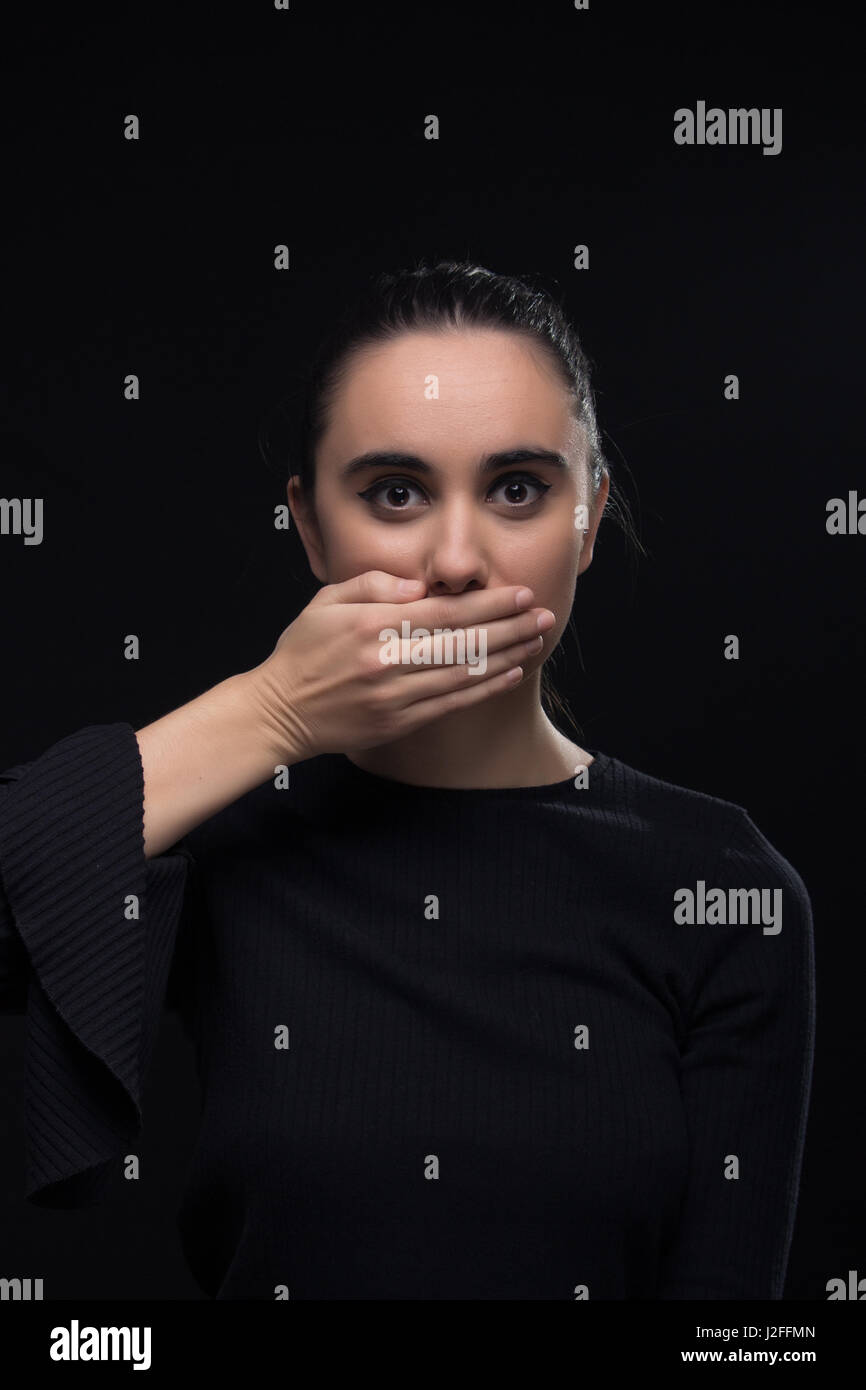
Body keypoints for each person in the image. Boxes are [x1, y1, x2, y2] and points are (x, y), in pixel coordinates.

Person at [0, 260, 815, 1300]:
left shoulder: (722, 890)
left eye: (517, 489)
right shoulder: (229, 839)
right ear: (307, 525)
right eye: (396, 492)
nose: (456, 558)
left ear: (589, 516)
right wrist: (269, 712)